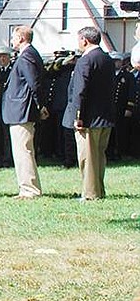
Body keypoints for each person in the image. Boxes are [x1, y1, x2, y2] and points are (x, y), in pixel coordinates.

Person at [62, 26, 116, 200]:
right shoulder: (106, 59)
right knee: (99, 158)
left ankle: (90, 194)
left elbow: (80, 91)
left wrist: (78, 117)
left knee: (87, 158)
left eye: (79, 40)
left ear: (84, 40)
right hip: (104, 116)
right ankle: (98, 190)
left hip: (89, 118)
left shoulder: (86, 60)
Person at [3, 26, 47, 198]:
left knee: (23, 150)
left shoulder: (27, 55)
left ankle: (30, 189)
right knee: (22, 149)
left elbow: (34, 83)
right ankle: (26, 187)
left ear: (21, 38)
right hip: (20, 109)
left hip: (22, 109)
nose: (11, 40)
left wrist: (40, 105)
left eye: (13, 37)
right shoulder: (27, 54)